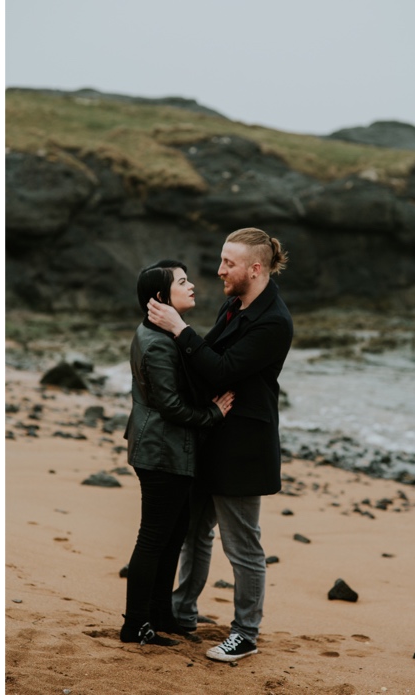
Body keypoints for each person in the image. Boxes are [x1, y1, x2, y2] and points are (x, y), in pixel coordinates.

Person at [146, 227, 295, 664]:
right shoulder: (237, 304)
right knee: (195, 531)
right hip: (213, 435)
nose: (218, 270)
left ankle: (246, 634)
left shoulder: (273, 321)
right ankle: (183, 609)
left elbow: (221, 369)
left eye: (228, 263)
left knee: (243, 546)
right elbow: (206, 356)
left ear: (255, 267)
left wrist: (179, 328)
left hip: (245, 446)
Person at [118, 260, 233, 647]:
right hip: (160, 451)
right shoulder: (156, 343)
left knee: (173, 534)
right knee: (153, 538)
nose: (192, 286)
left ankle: (160, 615)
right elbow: (169, 405)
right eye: (182, 282)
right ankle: (135, 624)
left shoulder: (162, 335)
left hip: (166, 449)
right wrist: (213, 414)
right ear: (160, 298)